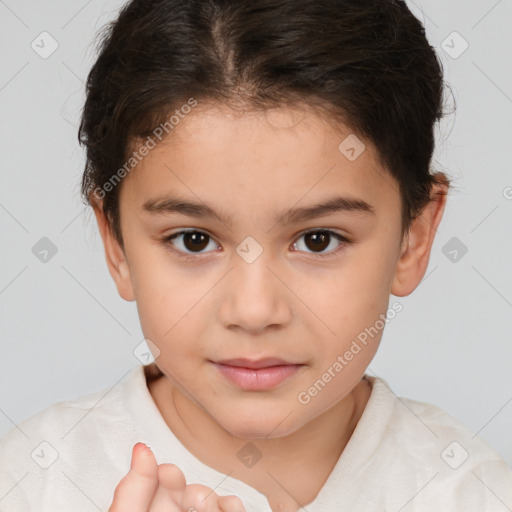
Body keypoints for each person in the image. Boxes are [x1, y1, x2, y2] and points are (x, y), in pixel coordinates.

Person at [1, 0, 511, 511]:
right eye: (193, 240)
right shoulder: (29, 483)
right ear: (117, 244)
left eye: (318, 240)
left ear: (413, 238)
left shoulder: (473, 493)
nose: (253, 310)